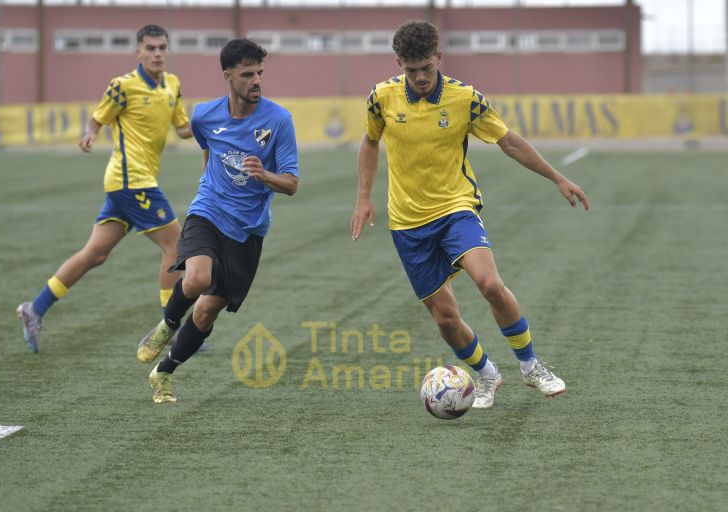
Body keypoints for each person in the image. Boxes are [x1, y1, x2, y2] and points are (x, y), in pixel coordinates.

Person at [350, 20, 590, 409]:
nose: (420, 77)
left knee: (489, 284)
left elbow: (508, 141)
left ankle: (530, 366)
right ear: (399, 64)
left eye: (426, 67)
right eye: (411, 70)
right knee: (445, 319)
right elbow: (370, 140)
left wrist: (557, 178)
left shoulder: (466, 99)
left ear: (439, 58)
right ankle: (487, 376)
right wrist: (363, 196)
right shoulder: (381, 98)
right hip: (408, 222)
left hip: (455, 207)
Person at [136, 38, 299, 404]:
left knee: (208, 311)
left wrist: (265, 176)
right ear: (227, 76)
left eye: (260, 73)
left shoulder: (279, 120)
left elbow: (291, 184)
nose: (256, 80)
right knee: (196, 278)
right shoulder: (204, 115)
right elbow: (209, 149)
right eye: (247, 74)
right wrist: (211, 187)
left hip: (249, 230)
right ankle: (168, 324)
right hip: (208, 211)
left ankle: (163, 373)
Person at [16, 24, 193, 353]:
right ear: (138, 52)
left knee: (94, 254)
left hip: (132, 183)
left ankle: (34, 308)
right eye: (150, 48)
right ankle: (172, 329)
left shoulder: (173, 85)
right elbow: (97, 118)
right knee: (177, 247)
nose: (157, 53)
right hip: (131, 180)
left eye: (162, 48)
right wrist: (90, 133)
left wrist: (214, 124)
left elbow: (183, 129)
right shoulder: (122, 86)